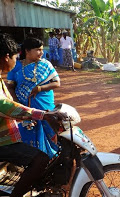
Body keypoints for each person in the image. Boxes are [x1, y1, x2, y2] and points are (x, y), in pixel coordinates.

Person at [0, 33, 66, 197]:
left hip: (17, 124)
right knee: (40, 159)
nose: (16, 60)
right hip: (2, 140)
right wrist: (40, 115)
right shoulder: (13, 72)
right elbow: (5, 106)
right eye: (15, 57)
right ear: (7, 57)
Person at [7, 37, 61, 159]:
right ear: (27, 51)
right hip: (25, 108)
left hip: (45, 105)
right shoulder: (16, 66)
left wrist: (40, 89)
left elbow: (57, 83)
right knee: (27, 133)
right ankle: (33, 161)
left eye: (42, 50)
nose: (41, 53)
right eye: (38, 50)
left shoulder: (46, 64)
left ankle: (52, 158)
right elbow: (10, 87)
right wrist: (17, 104)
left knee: (49, 129)